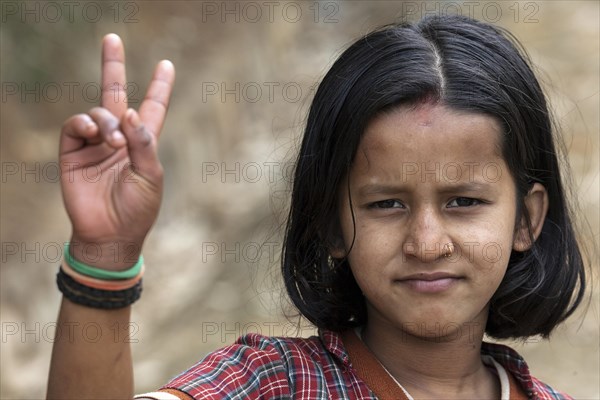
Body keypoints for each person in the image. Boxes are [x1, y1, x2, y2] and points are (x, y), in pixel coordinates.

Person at [47, 15, 586, 400]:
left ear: (526, 219)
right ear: (331, 221)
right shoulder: (268, 383)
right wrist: (105, 255)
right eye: (386, 203)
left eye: (464, 202)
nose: (426, 242)